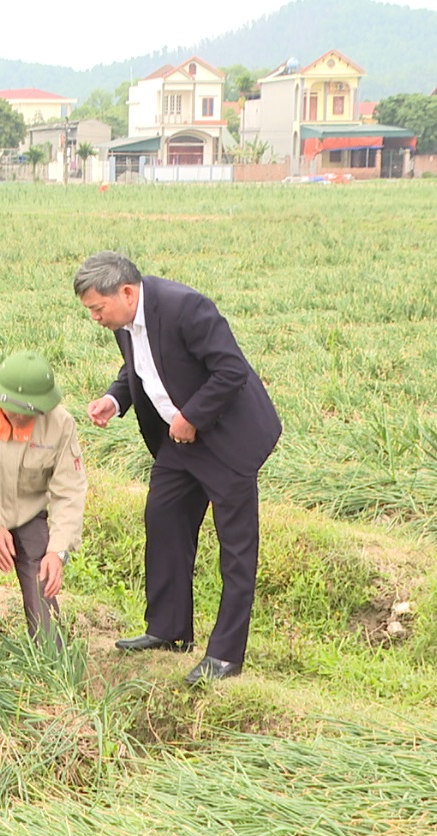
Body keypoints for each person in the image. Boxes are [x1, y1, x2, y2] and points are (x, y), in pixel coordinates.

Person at [75, 251, 282, 685]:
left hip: (227, 439)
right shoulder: (125, 322)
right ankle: (169, 631)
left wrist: (192, 416)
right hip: (179, 442)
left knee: (236, 548)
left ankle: (225, 656)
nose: (95, 318)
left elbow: (230, 370)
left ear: (127, 292)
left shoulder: (185, 307)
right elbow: (142, 367)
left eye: (98, 308)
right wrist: (115, 399)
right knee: (164, 519)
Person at [0, 351, 87, 646]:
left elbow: (69, 492)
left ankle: (50, 665)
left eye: (32, 412)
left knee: (43, 586)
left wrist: (57, 551)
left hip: (29, 515)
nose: (23, 418)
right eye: (16, 411)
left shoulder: (61, 425)